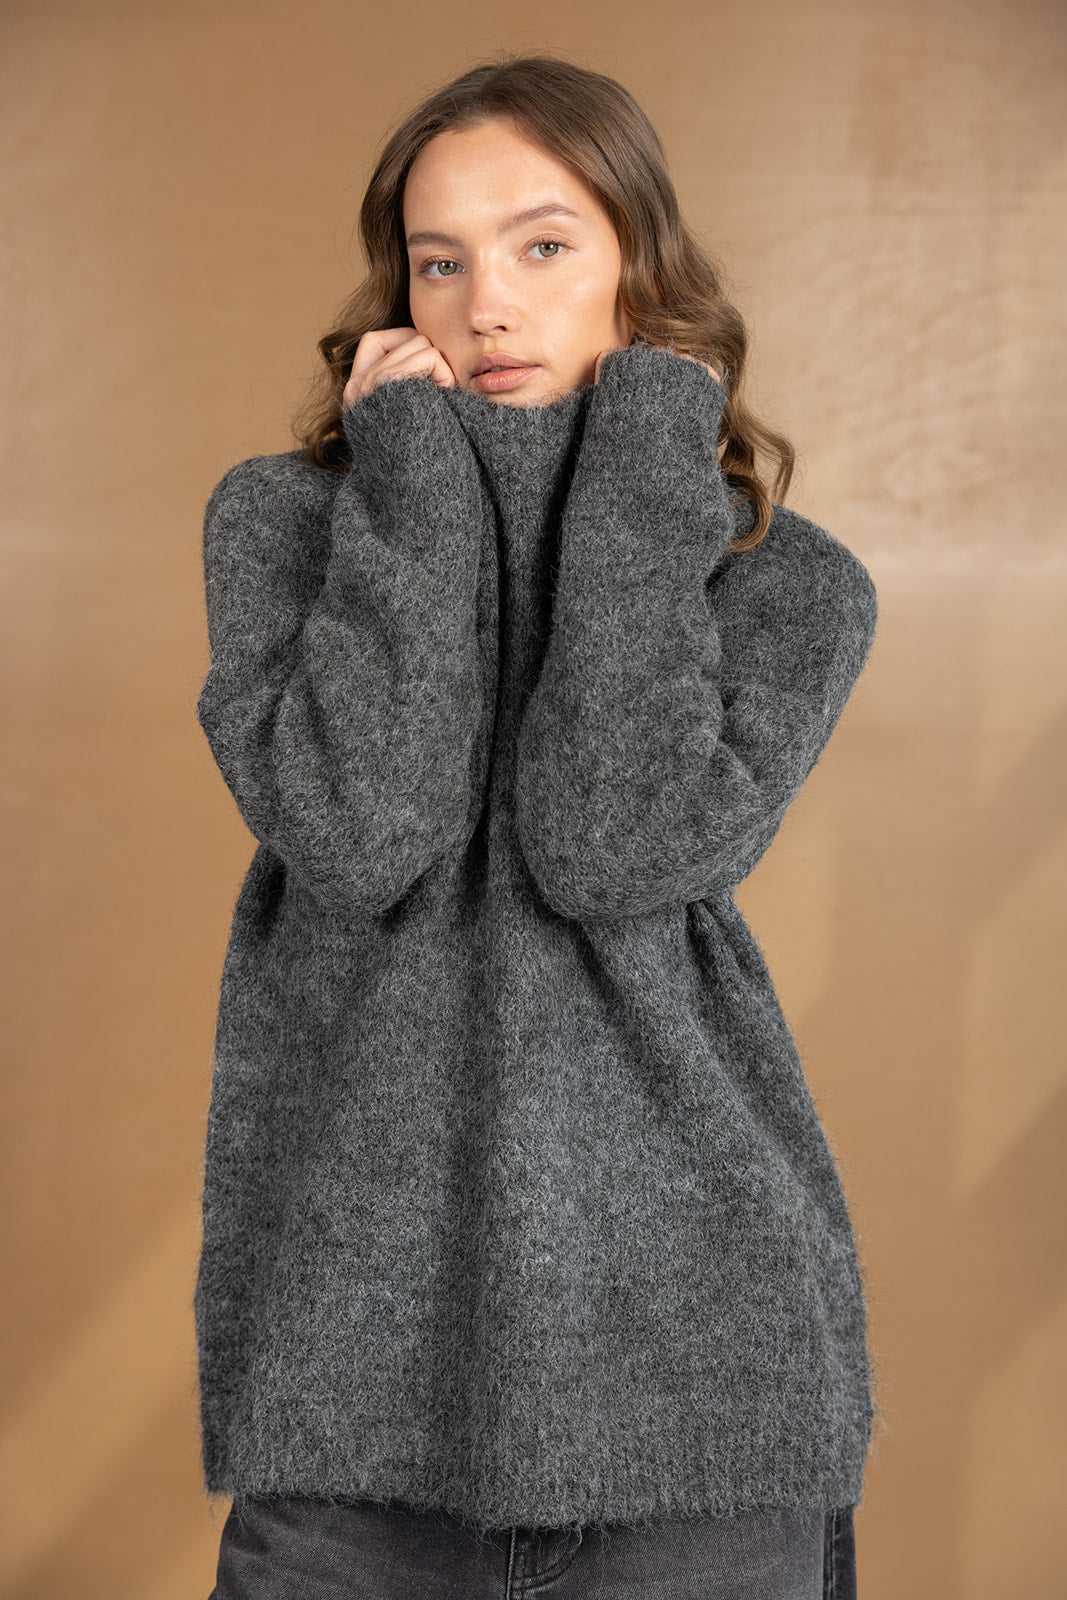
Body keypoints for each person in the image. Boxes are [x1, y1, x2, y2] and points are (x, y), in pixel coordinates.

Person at [195, 50, 878, 1600]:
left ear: (644, 271)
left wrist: (646, 463)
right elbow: (359, 834)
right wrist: (411, 496)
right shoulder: (285, 528)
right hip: (347, 1403)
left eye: (543, 246)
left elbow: (612, 845)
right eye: (439, 262)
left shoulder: (783, 582)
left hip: (702, 1399)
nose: (486, 304)